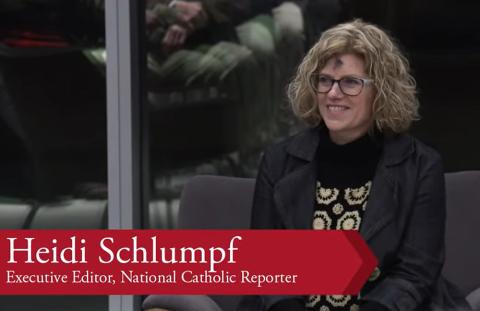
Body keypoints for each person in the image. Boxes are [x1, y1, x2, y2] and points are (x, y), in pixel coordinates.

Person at [245, 20, 472, 311]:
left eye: (350, 82)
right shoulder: (279, 161)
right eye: (325, 80)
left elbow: (415, 274)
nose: (333, 94)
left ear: (382, 91)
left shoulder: (421, 166)